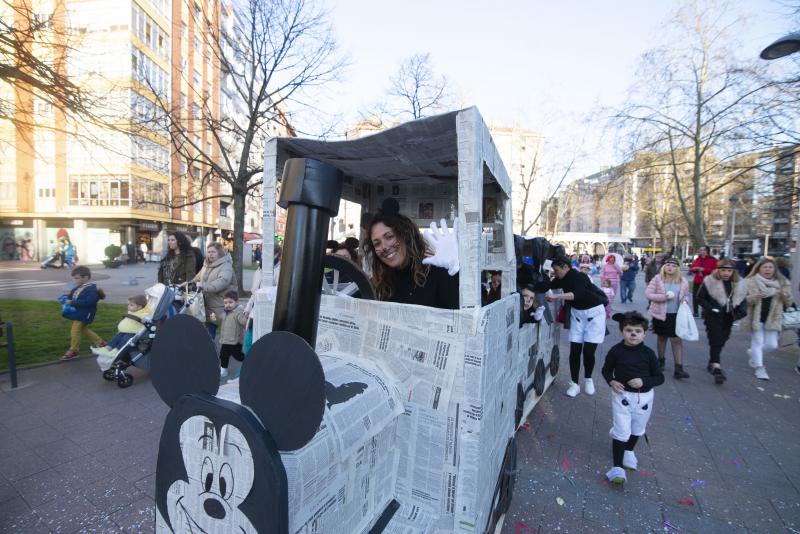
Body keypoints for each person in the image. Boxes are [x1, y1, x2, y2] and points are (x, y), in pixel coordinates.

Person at [601, 311, 664, 485]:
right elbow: (606, 370)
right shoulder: (616, 351)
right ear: (622, 331)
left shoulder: (649, 354)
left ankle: (629, 450)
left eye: (637, 331)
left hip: (644, 398)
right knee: (621, 429)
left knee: (637, 428)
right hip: (622, 396)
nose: (633, 334)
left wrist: (643, 381)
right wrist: (611, 381)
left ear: (644, 333)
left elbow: (659, 377)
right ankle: (617, 467)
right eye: (629, 330)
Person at [366, 202, 459, 310]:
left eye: (389, 237)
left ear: (405, 235)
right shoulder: (378, 283)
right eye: (377, 243)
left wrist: (456, 270)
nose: (384, 247)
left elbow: (470, 315)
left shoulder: (436, 273)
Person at [545, 256, 608, 397]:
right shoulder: (560, 279)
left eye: (556, 270)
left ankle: (588, 378)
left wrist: (556, 297)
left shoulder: (581, 277)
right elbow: (548, 285)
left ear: (566, 267)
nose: (555, 273)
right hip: (577, 315)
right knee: (574, 350)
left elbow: (577, 295)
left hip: (595, 314)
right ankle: (574, 383)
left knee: (588, 352)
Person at [695, 259, 747, 384]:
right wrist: (711, 308)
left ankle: (712, 362)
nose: (726, 273)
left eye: (729, 270)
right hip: (713, 316)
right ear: (718, 270)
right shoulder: (710, 281)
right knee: (716, 339)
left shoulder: (739, 283)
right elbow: (700, 298)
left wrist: (741, 312)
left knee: (722, 339)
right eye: (723, 270)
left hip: (729, 317)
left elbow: (743, 299)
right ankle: (717, 368)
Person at [744, 257, 792, 380]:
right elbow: (743, 300)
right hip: (756, 317)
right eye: (765, 267)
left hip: (773, 318)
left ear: (775, 269)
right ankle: (759, 368)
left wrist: (784, 295)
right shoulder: (750, 281)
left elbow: (789, 302)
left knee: (772, 345)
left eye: (770, 267)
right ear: (759, 269)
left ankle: (753, 353)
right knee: (758, 342)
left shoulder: (782, 282)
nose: (768, 270)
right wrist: (755, 297)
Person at [645, 257, 691, 379]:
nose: (670, 267)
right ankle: (660, 361)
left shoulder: (683, 281)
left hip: (676, 315)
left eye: (674, 266)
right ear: (664, 267)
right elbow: (648, 294)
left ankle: (679, 368)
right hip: (661, 314)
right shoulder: (657, 279)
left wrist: (685, 300)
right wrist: (664, 297)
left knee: (676, 340)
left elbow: (686, 295)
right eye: (668, 265)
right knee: (662, 338)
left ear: (678, 268)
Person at [59, 266, 106, 361]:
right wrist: (66, 298)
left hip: (85, 314)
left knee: (75, 330)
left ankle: (74, 350)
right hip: (80, 313)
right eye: (74, 278)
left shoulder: (91, 289)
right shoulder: (79, 288)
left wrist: (72, 302)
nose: (75, 280)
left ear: (86, 277)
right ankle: (101, 343)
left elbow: (89, 302)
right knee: (83, 329)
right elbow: (72, 296)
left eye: (77, 278)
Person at [191, 242, 238, 338]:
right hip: (207, 304)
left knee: (212, 327)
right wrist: (188, 283)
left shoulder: (226, 266)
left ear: (220, 253)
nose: (210, 254)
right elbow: (197, 278)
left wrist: (204, 286)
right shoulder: (206, 265)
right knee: (208, 328)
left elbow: (223, 281)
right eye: (208, 252)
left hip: (219, 305)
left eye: (213, 252)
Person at [93, 294, 150, 370]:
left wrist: (146, 320)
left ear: (139, 307)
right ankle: (108, 348)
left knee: (125, 340)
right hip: (127, 331)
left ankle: (116, 351)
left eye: (131, 305)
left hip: (135, 333)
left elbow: (149, 318)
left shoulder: (145, 313)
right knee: (117, 337)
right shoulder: (133, 311)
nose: (128, 306)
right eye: (129, 304)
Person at [210, 291, 249, 378]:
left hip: (235, 341)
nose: (228, 305)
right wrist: (214, 319)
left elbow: (244, 322)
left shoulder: (238, 313)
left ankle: (249, 361)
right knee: (223, 355)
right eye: (225, 303)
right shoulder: (225, 312)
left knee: (237, 356)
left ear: (237, 302)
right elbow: (220, 322)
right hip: (225, 340)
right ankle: (223, 370)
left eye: (230, 302)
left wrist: (246, 316)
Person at [690, 246, 718, 317]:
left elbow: (715, 271)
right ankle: (695, 312)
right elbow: (692, 268)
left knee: (705, 297)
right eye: (701, 250)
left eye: (704, 250)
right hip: (697, 281)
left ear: (707, 251)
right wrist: (695, 269)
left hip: (708, 281)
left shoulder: (713, 260)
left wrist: (704, 269)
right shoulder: (697, 259)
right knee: (695, 296)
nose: (702, 252)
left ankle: (704, 312)